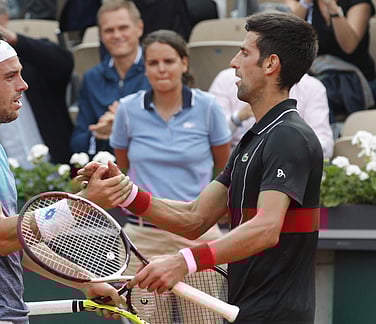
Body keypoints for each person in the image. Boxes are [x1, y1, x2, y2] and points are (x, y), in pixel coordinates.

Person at [79, 11, 324, 323]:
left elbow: (265, 229)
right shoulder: (253, 140)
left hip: (278, 314)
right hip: (244, 308)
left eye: (245, 52)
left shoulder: (290, 136)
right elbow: (195, 217)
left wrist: (184, 260)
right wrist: (125, 192)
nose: (233, 62)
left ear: (270, 64)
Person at [0, 29, 130, 323]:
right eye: (10, 77)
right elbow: (2, 237)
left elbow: (20, 240)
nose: (23, 85)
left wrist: (84, 281)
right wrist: (83, 203)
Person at [110, 29, 232, 275]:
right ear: (144, 68)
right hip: (142, 235)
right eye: (153, 63)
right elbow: (122, 169)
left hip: (198, 234)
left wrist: (204, 212)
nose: (161, 69)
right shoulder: (127, 109)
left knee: (203, 315)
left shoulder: (208, 107)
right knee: (141, 316)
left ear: (184, 63)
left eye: (169, 61)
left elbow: (223, 168)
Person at [0, 0, 74, 167]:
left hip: (56, 171)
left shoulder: (31, 56)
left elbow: (65, 64)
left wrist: (13, 39)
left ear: (5, 17)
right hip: (6, 179)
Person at [70, 0, 151, 158]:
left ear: (139, 28)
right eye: (109, 30)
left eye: (123, 28)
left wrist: (126, 123)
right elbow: (77, 142)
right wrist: (99, 133)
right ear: (100, 35)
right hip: (107, 171)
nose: (117, 35)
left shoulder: (158, 70)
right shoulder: (91, 78)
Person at [286, 0, 376, 134]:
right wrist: (305, 4)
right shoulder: (308, 4)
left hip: (356, 80)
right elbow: (287, 35)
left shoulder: (358, 3)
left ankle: (325, 142)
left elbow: (349, 46)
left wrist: (333, 9)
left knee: (317, 89)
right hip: (318, 74)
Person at [209, 68, 334, 158]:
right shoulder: (226, 79)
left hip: (287, 166)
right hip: (232, 163)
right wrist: (237, 118)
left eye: (245, 53)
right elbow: (207, 137)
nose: (234, 61)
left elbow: (324, 146)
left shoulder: (312, 87)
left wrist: (289, 145)